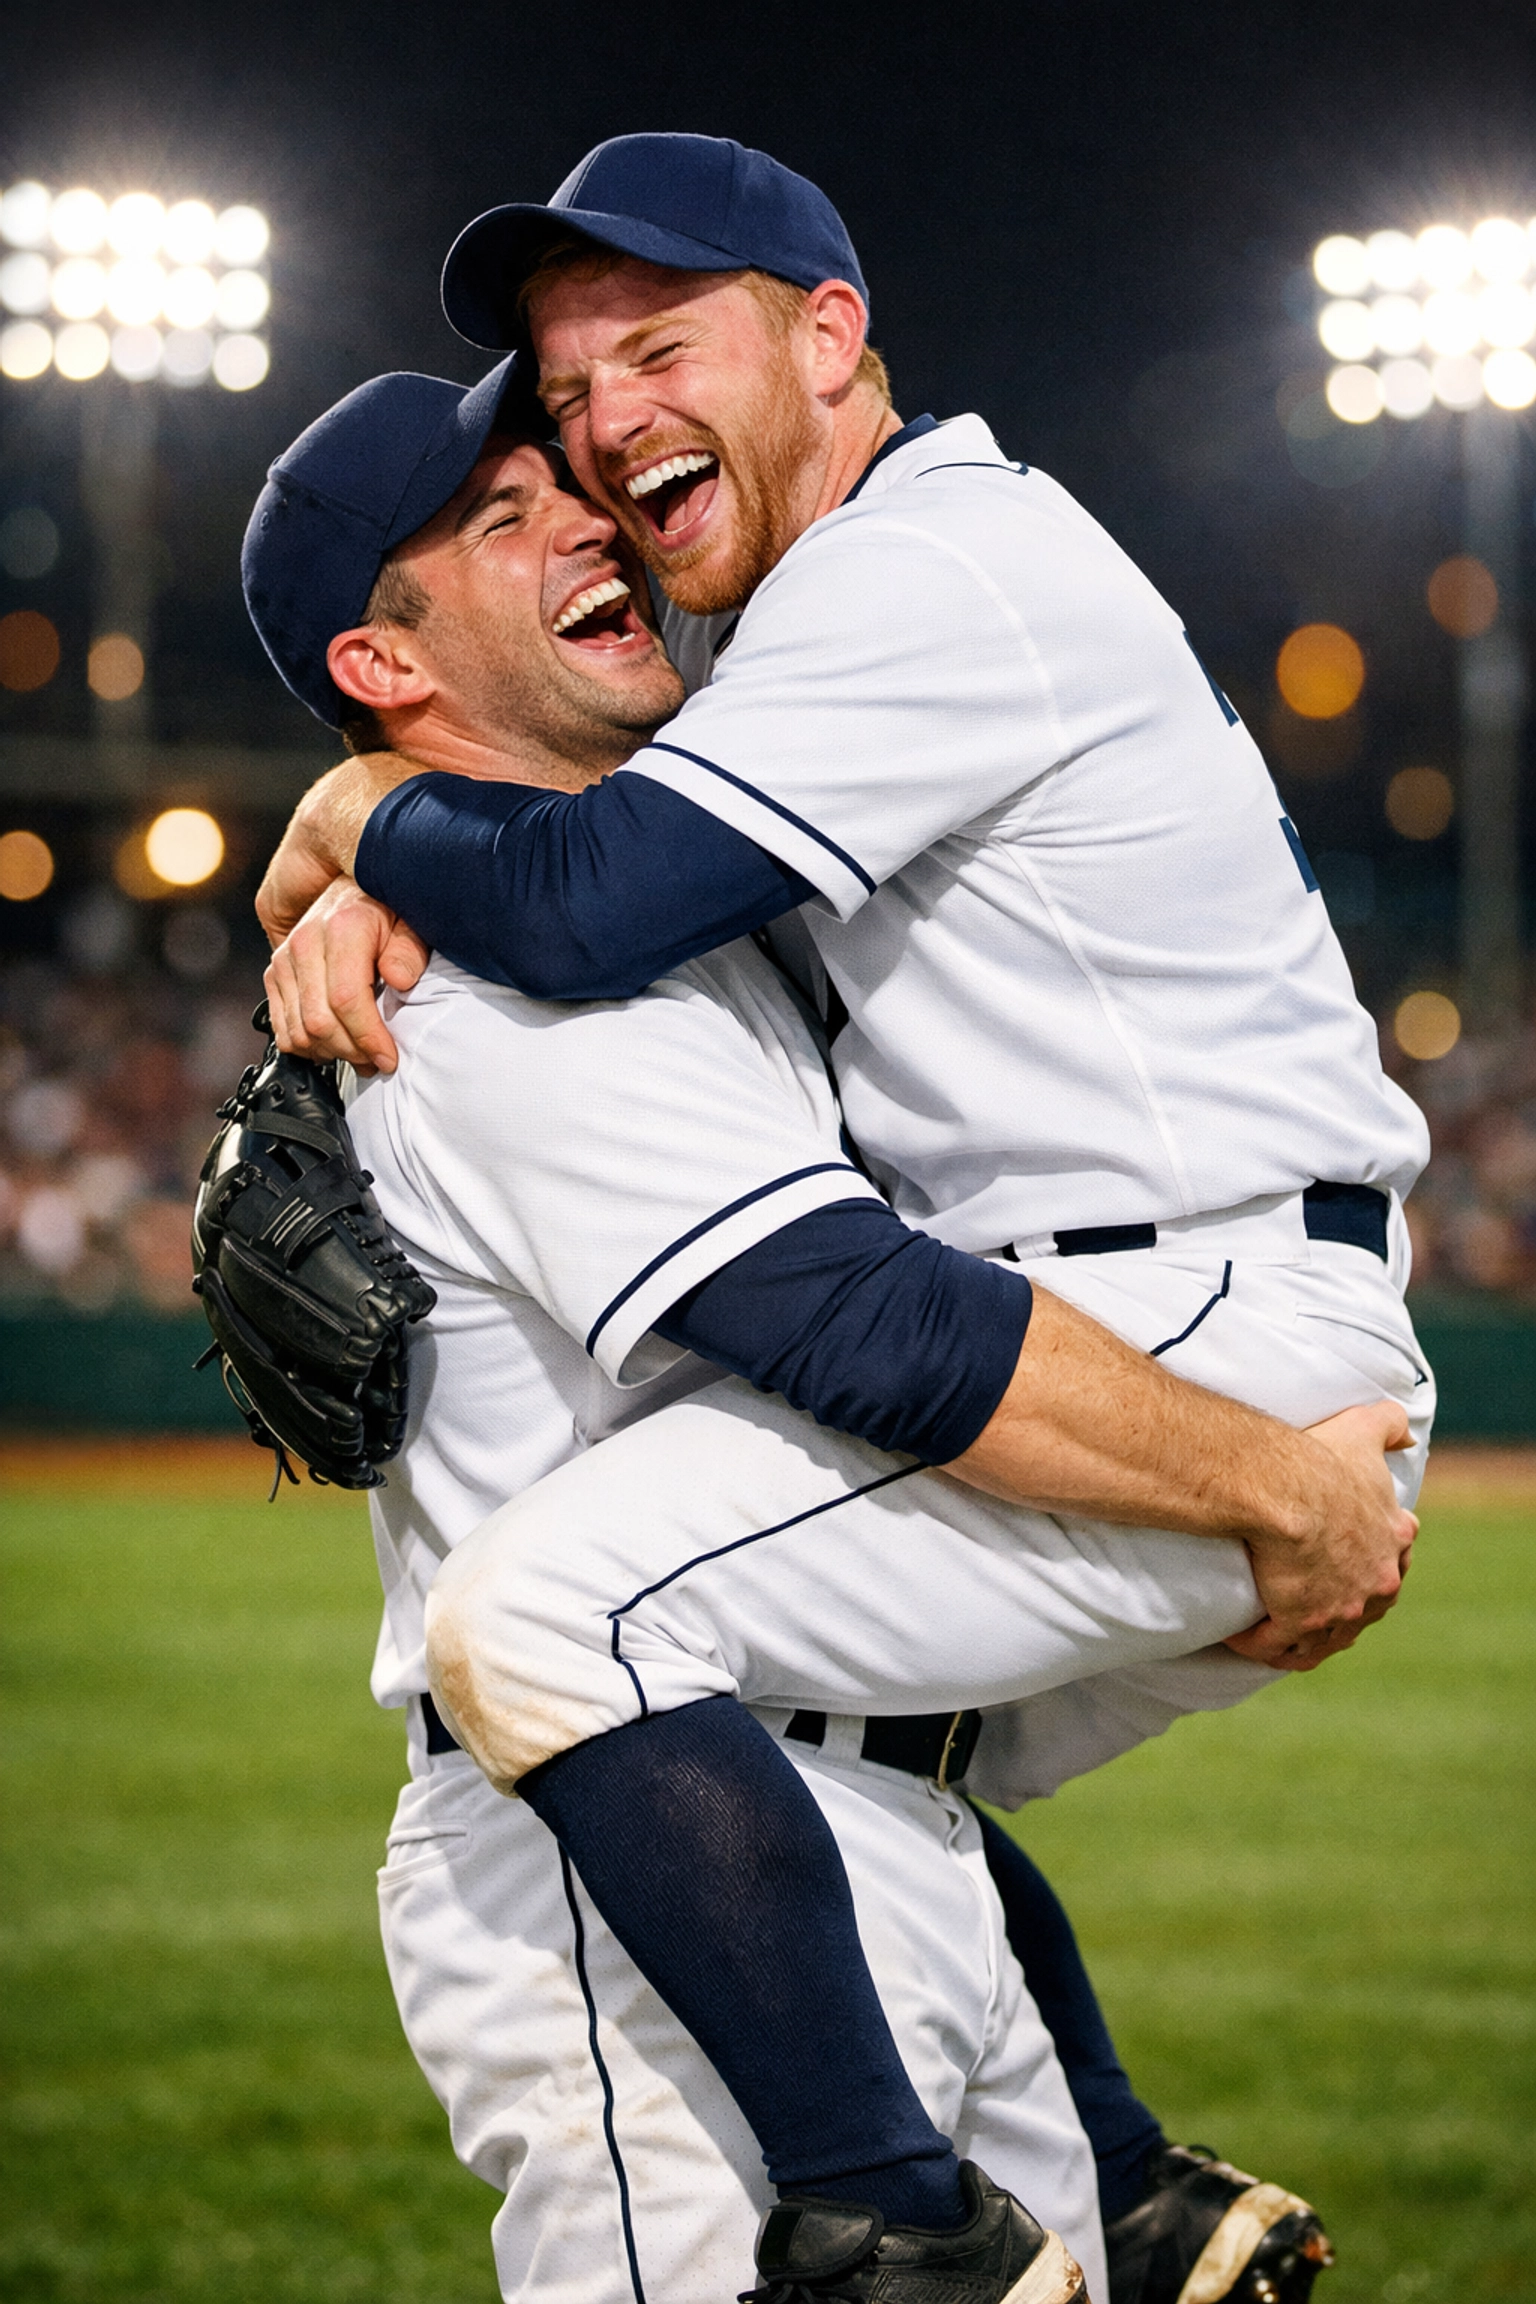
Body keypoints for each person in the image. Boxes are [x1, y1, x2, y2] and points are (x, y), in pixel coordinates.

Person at [252, 138, 1430, 2304]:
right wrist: (372, 844)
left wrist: (351, 816)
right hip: (681, 1869)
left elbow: (595, 900)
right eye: (531, 464)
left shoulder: (905, 585)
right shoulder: (545, 955)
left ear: (831, 336)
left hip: (1153, 1360)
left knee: (571, 1619)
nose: (596, 460)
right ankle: (1064, 2184)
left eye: (648, 362)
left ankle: (933, 2209)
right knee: (574, 1630)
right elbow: (846, 1317)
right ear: (384, 653)